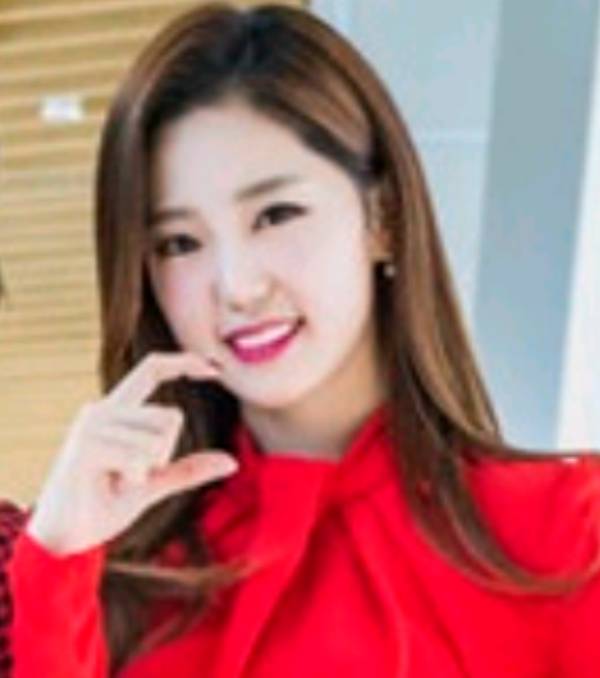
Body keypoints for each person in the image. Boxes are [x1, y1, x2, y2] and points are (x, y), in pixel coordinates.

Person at [2, 2, 600, 676]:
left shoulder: (566, 537)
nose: (237, 287)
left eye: (276, 214)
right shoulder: (105, 585)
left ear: (383, 217)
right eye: (179, 243)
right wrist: (57, 563)